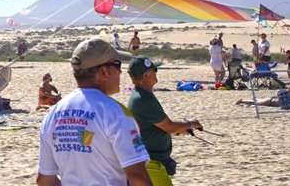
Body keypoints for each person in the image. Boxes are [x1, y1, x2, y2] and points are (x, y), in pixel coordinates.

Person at [36, 37, 151, 186]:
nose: (121, 72)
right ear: (103, 71)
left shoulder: (53, 114)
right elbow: (138, 178)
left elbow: (45, 179)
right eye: (117, 64)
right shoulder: (115, 112)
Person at [127, 55, 203, 186]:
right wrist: (192, 123)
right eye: (154, 70)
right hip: (151, 162)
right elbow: (170, 127)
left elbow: (158, 125)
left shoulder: (144, 95)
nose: (156, 72)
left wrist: (182, 129)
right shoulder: (143, 99)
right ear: (145, 75)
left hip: (152, 161)